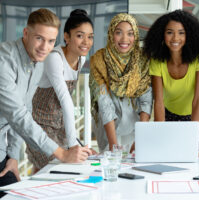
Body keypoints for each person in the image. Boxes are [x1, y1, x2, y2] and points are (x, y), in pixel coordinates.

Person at [0, 9, 91, 194]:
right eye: (39, 38)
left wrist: (13, 155)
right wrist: (63, 154)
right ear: (26, 33)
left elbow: (25, 108)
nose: (44, 47)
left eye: (51, 41)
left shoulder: (39, 62)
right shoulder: (4, 61)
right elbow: (18, 116)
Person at [25, 9, 95, 172]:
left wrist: (75, 145)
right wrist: (72, 145)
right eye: (80, 35)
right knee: (51, 168)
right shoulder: (54, 57)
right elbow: (65, 100)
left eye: (90, 36)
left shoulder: (81, 58)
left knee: (65, 167)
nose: (86, 41)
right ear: (66, 37)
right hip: (40, 123)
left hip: (59, 124)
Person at [143, 10, 199, 153]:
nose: (175, 38)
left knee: (190, 157)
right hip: (167, 115)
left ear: (189, 35)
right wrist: (160, 133)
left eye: (181, 32)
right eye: (169, 32)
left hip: (192, 117)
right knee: (166, 154)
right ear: (162, 34)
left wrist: (192, 137)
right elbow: (159, 101)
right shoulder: (157, 60)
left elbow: (198, 99)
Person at [89, 13, 152, 153]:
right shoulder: (99, 60)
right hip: (108, 128)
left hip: (136, 126)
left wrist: (140, 138)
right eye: (119, 33)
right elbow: (104, 102)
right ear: (111, 34)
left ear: (135, 36)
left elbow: (146, 101)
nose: (125, 39)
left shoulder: (143, 60)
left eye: (130, 34)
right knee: (111, 162)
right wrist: (113, 145)